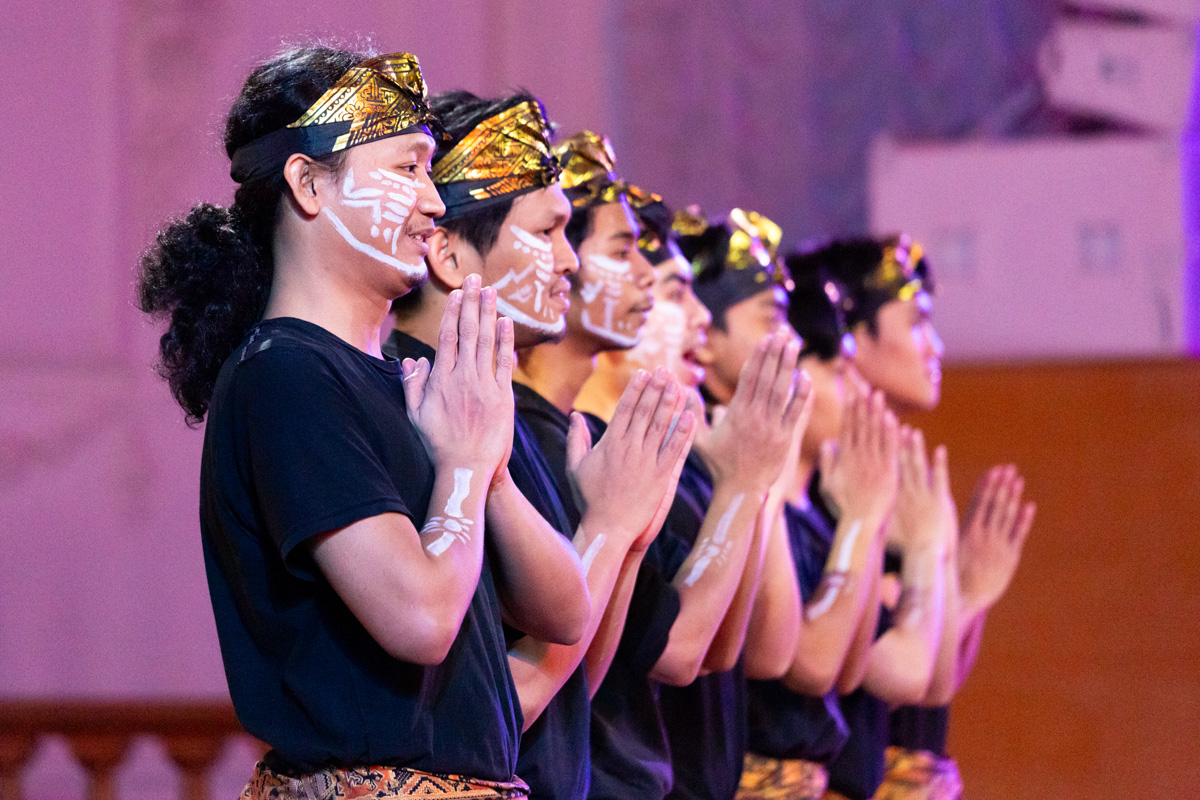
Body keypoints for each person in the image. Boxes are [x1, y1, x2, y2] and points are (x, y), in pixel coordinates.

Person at [138, 46, 545, 798]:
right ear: (307, 184)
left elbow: (557, 609)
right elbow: (419, 617)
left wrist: (485, 465)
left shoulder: (400, 384)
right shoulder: (285, 377)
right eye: (406, 168)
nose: (433, 203)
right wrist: (464, 462)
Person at [388, 97, 694, 800]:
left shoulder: (500, 411)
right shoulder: (419, 401)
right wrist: (612, 529)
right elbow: (500, 704)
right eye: (549, 232)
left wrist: (626, 533)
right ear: (448, 251)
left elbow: (573, 676)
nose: (570, 262)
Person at [822, 236, 1035, 800]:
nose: (935, 346)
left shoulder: (902, 477)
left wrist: (967, 591)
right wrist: (939, 572)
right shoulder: (832, 487)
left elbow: (934, 687)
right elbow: (895, 676)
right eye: (916, 323)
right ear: (851, 337)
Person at [737, 263, 900, 800]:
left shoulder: (815, 511)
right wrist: (866, 523)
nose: (857, 391)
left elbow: (849, 669)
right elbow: (810, 662)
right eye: (836, 371)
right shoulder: (755, 499)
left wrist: (869, 520)